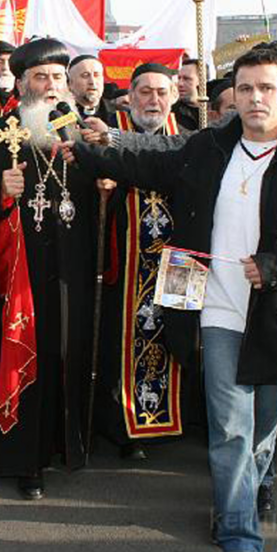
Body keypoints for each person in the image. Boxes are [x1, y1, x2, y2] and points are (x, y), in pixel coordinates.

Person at [67, 47, 277, 552]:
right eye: (245, 88)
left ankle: (250, 483)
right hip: (214, 305)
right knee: (230, 427)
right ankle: (240, 532)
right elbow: (148, 162)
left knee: (263, 429)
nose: (255, 98)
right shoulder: (207, 148)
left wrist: (276, 265)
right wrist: (86, 150)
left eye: (266, 88)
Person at [0, 38, 93, 500]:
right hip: (18, 275)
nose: (51, 86)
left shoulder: (78, 134)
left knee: (65, 355)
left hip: (71, 268)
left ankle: (64, 444)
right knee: (26, 359)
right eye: (41, 77)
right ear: (21, 84)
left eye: (58, 77)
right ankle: (24, 460)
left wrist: (104, 185)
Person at [90, 63, 191, 462]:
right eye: (145, 92)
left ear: (174, 97)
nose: (153, 100)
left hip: (181, 262)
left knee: (176, 336)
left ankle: (171, 420)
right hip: (126, 264)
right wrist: (101, 192)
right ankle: (124, 426)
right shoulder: (105, 138)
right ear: (129, 96)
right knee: (120, 342)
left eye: (162, 92)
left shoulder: (188, 139)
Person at [68, 55, 113, 120]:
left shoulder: (119, 114)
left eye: (97, 75)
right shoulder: (60, 115)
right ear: (70, 83)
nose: (92, 82)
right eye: (85, 76)